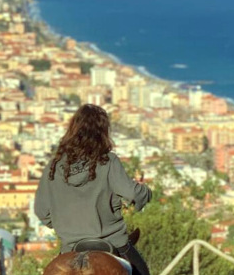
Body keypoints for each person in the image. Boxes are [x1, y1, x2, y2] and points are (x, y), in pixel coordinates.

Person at [34, 104, 152, 275]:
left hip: (69, 245)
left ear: (72, 130)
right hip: (113, 242)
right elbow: (133, 193)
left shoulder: (54, 166)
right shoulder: (108, 161)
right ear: (103, 132)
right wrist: (146, 193)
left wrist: (65, 225)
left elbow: (41, 211)